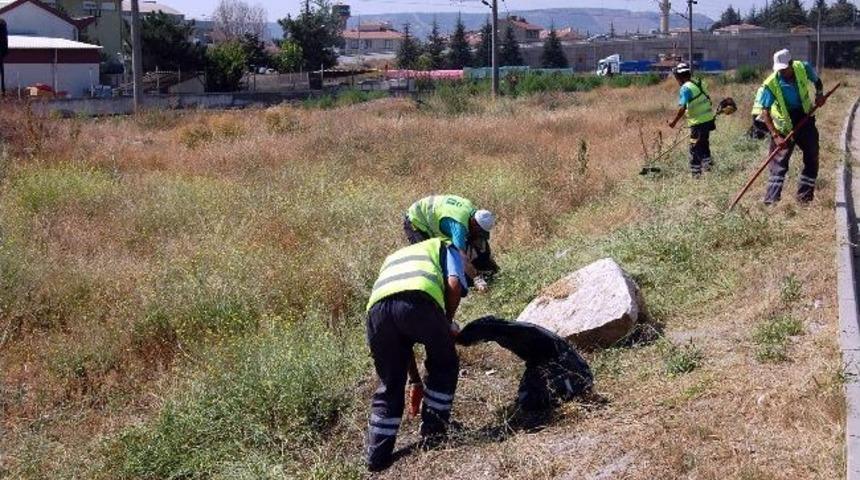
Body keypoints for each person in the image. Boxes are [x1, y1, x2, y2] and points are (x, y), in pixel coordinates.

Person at [364, 237, 469, 471]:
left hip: (376, 314)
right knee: (444, 363)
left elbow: (402, 336)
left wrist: (415, 380)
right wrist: (447, 323)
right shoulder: (446, 246)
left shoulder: (395, 257)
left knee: (389, 384)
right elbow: (453, 284)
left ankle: (376, 456)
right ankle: (434, 430)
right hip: (417, 301)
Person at [757, 49, 826, 204]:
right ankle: (771, 202)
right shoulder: (771, 83)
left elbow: (817, 81)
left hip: (805, 118)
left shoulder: (803, 67)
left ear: (791, 63)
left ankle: (804, 199)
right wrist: (776, 135)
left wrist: (819, 95)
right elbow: (765, 112)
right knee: (778, 164)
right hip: (783, 125)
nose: (781, 72)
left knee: (812, 156)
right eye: (779, 69)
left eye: (784, 68)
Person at [404, 195, 496, 288]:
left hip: (434, 211)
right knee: (431, 259)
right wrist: (477, 280)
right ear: (475, 224)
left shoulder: (471, 210)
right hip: (416, 220)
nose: (479, 234)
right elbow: (462, 258)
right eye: (479, 231)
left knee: (472, 239)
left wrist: (492, 265)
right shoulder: (458, 227)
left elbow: (477, 241)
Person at [668, 62, 717, 177]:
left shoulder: (685, 88)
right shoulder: (699, 82)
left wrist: (673, 122)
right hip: (708, 120)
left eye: (676, 77)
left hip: (698, 123)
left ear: (679, 77)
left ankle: (696, 174)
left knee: (694, 148)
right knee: (704, 144)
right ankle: (709, 168)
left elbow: (682, 107)